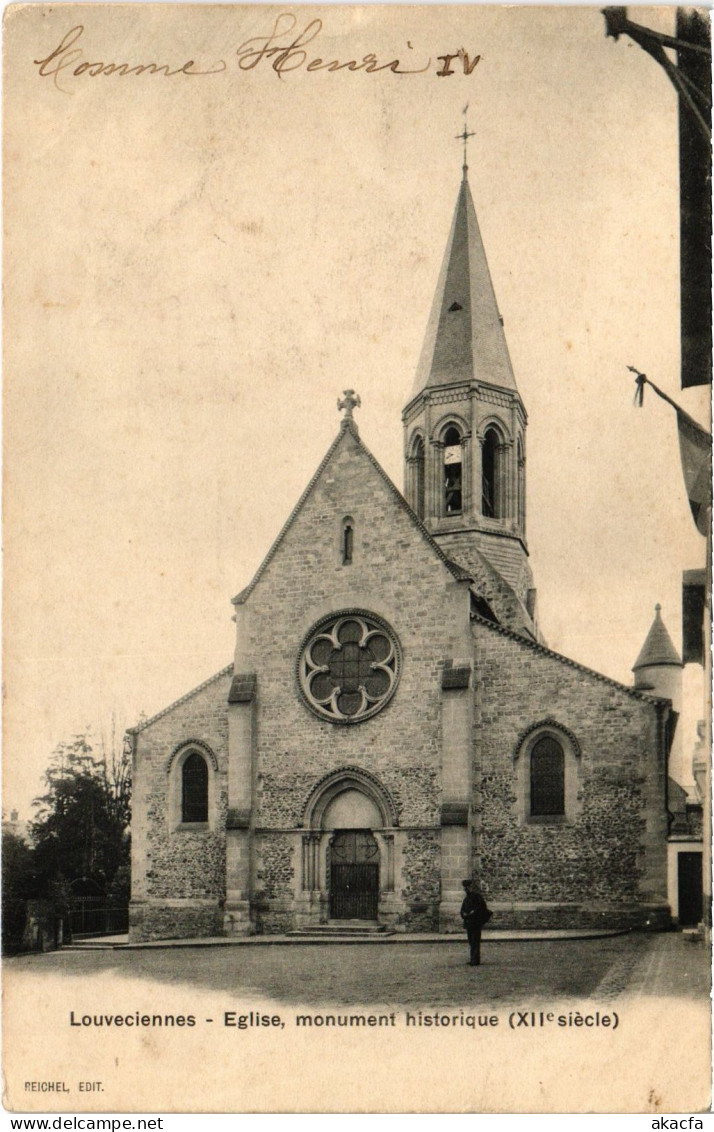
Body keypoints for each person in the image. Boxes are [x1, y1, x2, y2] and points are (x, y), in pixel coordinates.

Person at [460, 879, 491, 966]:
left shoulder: (477, 897)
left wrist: (473, 912)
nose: (466, 889)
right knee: (471, 941)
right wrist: (464, 913)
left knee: (475, 941)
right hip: (469, 923)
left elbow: (482, 907)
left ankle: (475, 960)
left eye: (467, 887)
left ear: (471, 887)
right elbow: (462, 909)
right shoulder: (466, 899)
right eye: (465, 888)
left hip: (476, 923)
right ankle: (473, 958)